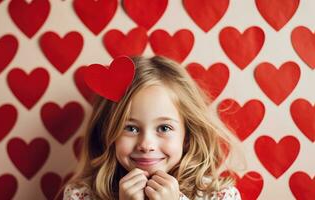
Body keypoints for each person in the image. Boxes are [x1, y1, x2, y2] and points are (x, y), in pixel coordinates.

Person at [61, 56, 244, 200]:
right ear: (107, 133)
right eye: (131, 128)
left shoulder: (220, 195)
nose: (146, 145)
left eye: (164, 128)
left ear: (187, 134)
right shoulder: (81, 195)